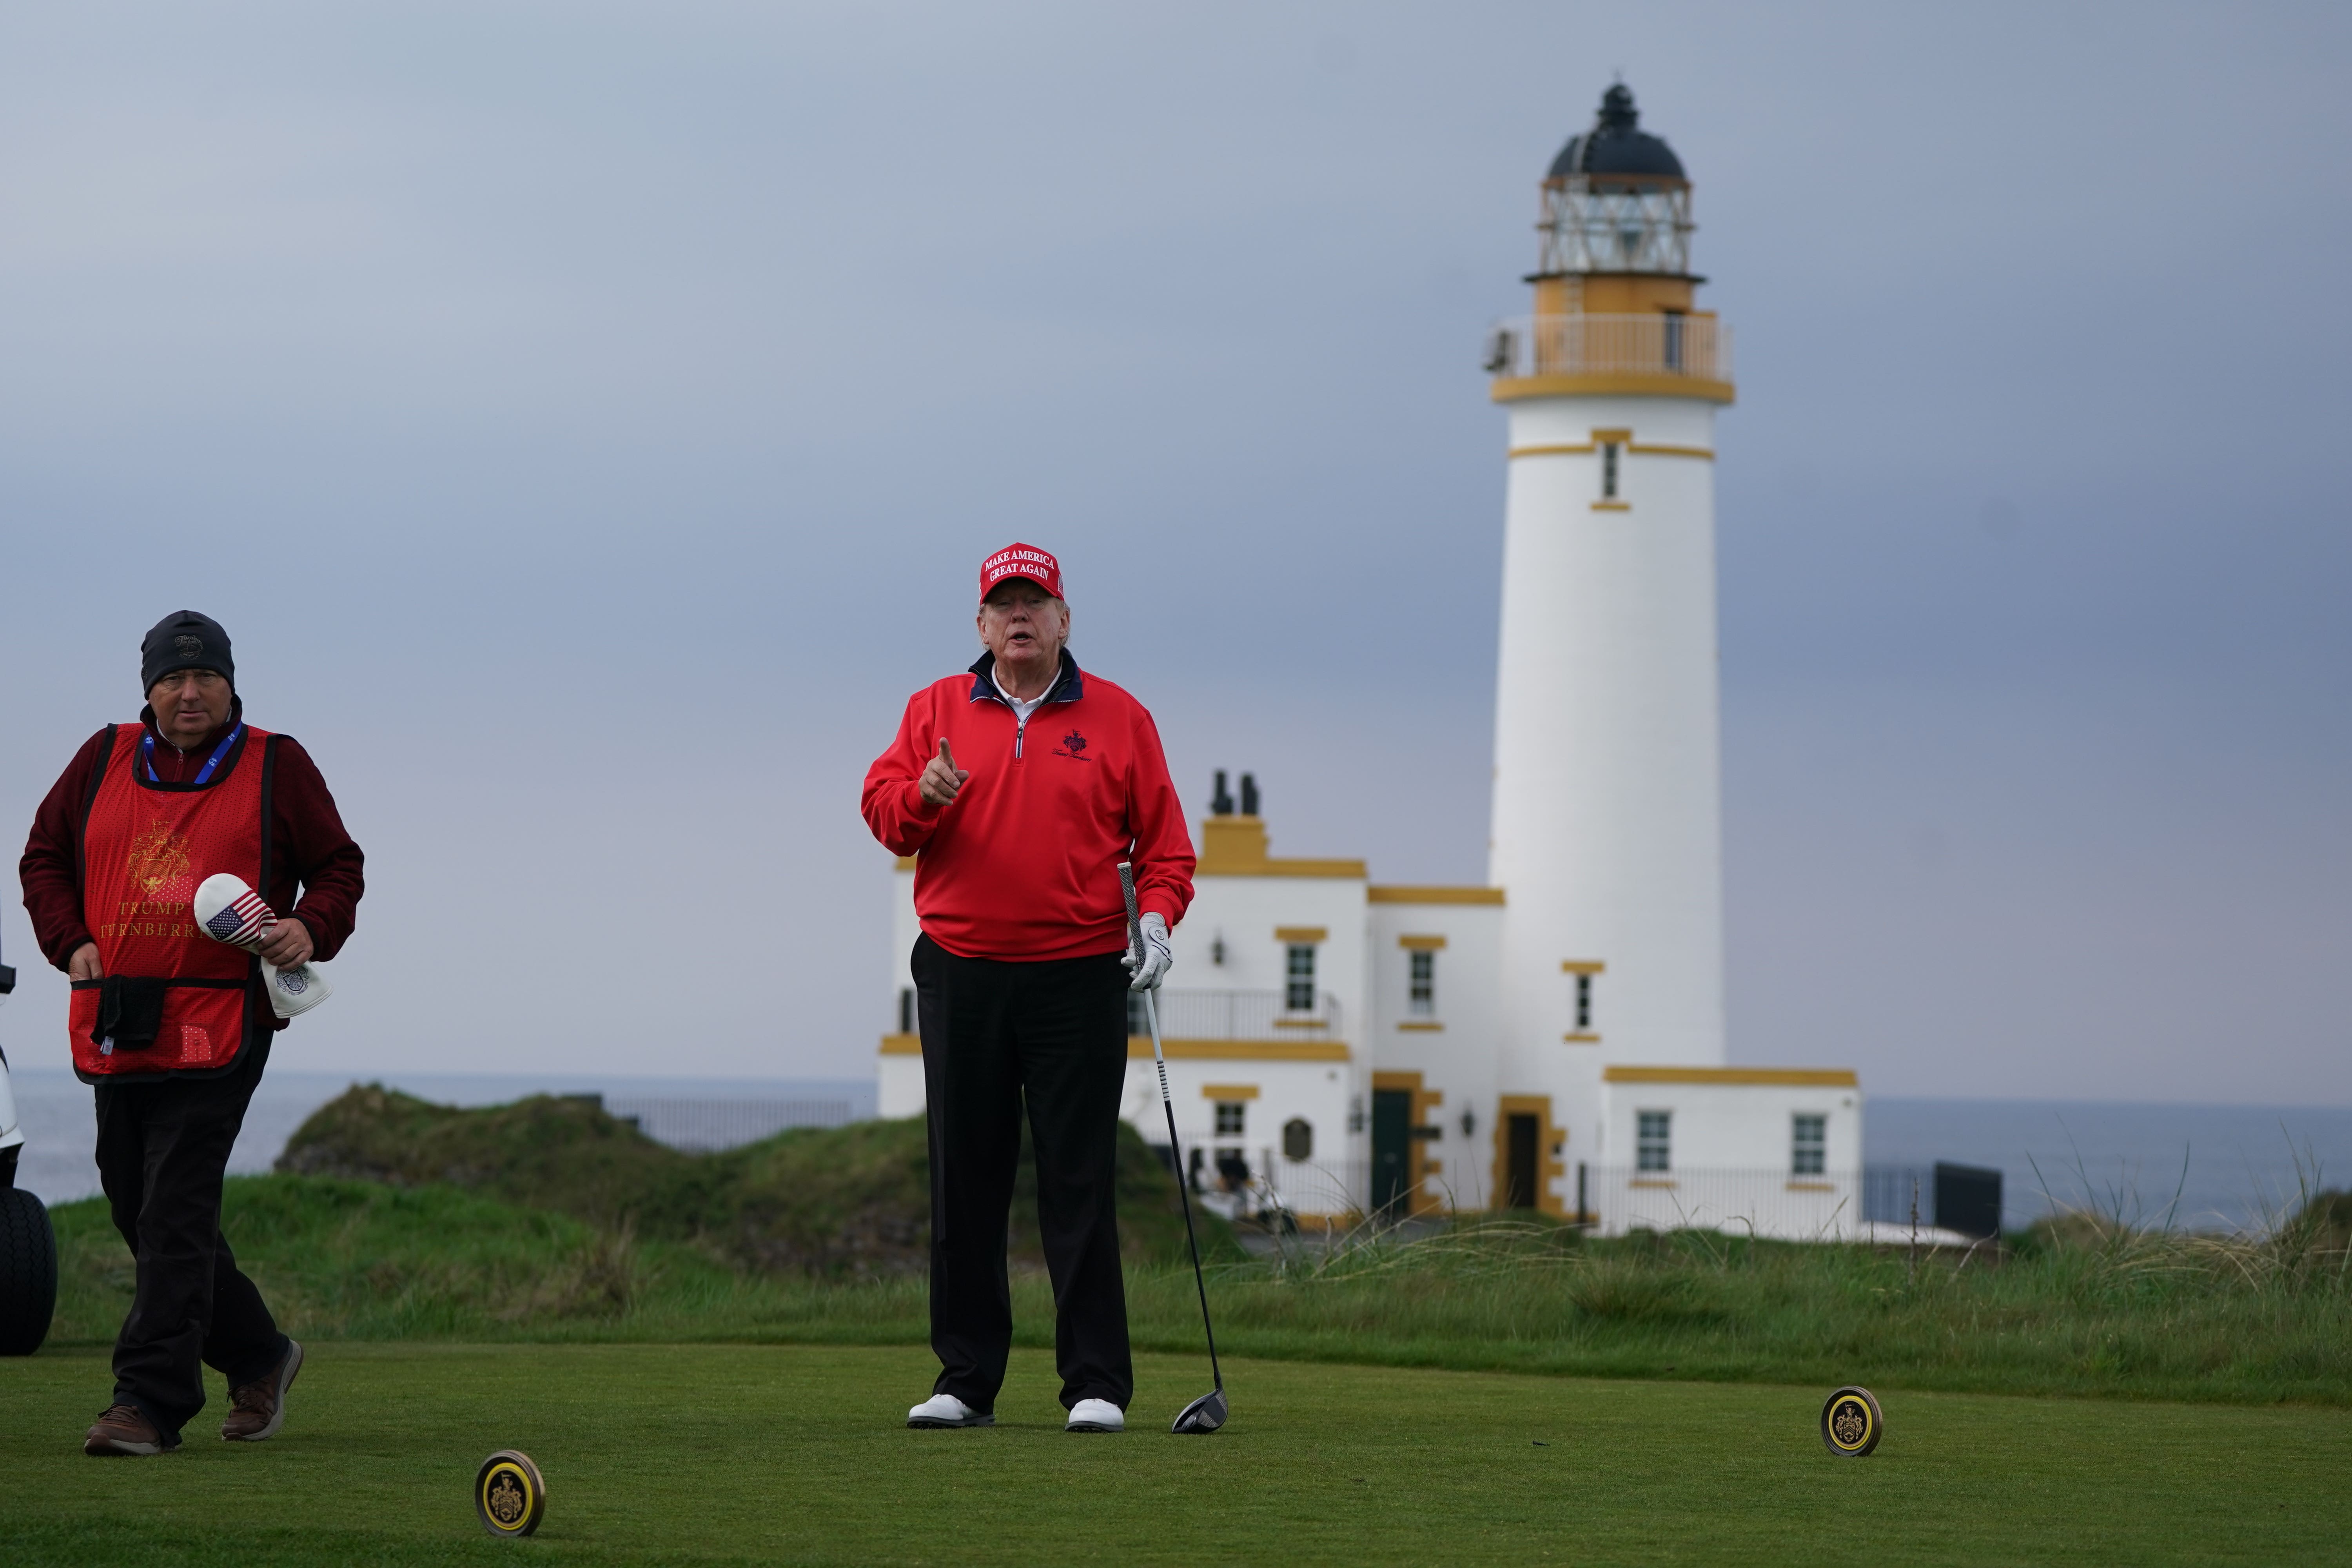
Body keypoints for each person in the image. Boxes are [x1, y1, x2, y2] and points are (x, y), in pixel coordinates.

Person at [862, 543, 1193, 1434]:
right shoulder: (934, 707)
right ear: (981, 625)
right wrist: (925, 797)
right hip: (963, 968)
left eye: (1035, 602)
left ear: (1063, 620)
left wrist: (1156, 920)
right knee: (965, 1176)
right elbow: (886, 817)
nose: (1020, 616)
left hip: (1079, 973)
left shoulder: (1121, 717)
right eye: (1004, 603)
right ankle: (966, 1378)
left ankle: (1095, 1382)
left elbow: (1166, 850)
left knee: (1077, 1176)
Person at [18, 611, 363, 1456]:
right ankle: (259, 1354)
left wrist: (308, 926)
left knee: (175, 1204)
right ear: (147, 690)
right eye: (171, 678)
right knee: (137, 1203)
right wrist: (70, 939)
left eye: (204, 674)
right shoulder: (100, 759)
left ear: (230, 681)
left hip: (222, 1019)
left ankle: (147, 1399)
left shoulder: (278, 763)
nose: (188, 691)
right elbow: (43, 858)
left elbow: (339, 867)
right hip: (117, 1017)